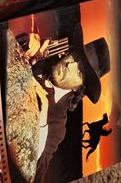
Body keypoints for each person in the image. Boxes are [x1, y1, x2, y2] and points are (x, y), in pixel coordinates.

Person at [17, 24, 110, 178]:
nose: (69, 65)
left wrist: (42, 121)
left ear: (78, 88)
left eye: (79, 71)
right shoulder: (41, 60)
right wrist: (25, 42)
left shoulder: (56, 124)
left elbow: (36, 175)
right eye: (76, 57)